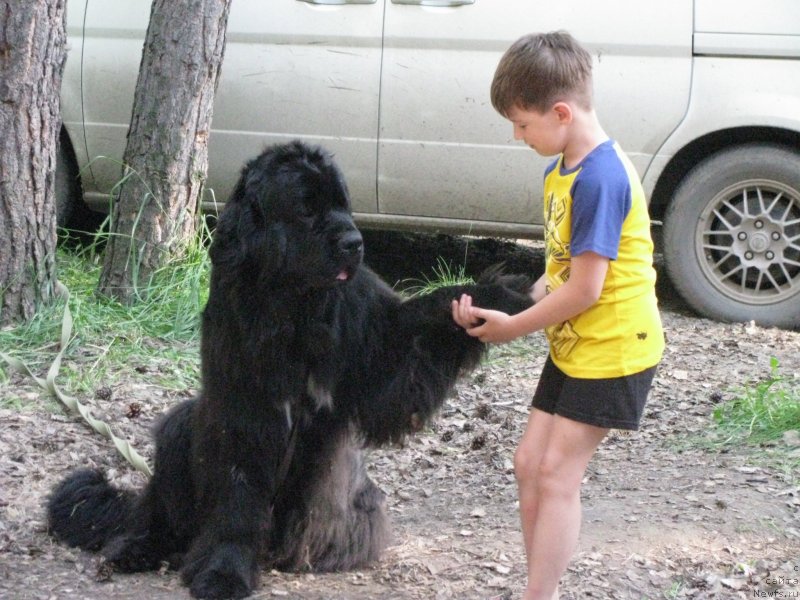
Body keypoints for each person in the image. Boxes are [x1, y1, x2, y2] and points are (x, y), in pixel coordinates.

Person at [451, 31, 664, 600]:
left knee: (556, 474)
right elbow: (559, 273)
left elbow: (586, 291)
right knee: (528, 464)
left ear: (562, 112)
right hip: (576, 344)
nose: (517, 136)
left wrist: (513, 330)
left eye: (522, 123)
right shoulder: (561, 171)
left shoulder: (600, 177)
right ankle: (537, 588)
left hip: (615, 347)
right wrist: (505, 308)